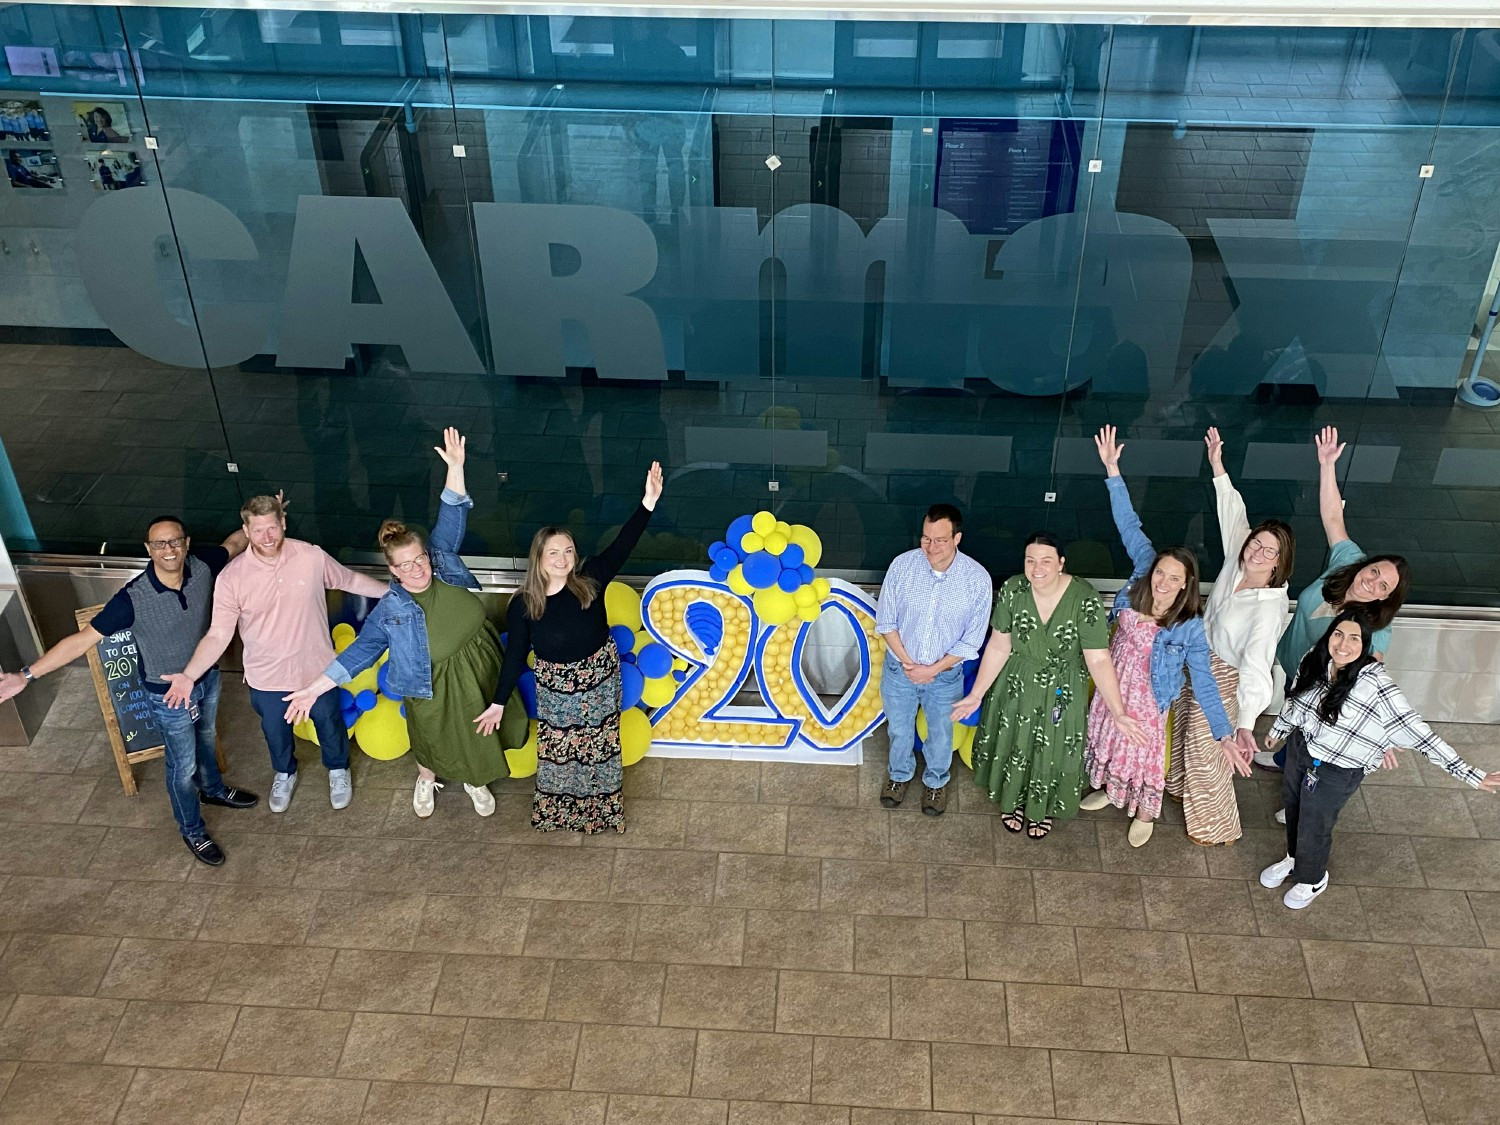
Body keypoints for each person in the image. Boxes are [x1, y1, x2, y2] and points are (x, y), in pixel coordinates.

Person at [0, 516, 259, 865]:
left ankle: (212, 790)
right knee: (181, 767)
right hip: (167, 695)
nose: (168, 550)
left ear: (186, 543)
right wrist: (26, 675)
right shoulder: (132, 600)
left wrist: (262, 519)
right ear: (148, 550)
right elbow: (80, 642)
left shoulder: (202, 566)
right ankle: (192, 831)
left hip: (207, 676)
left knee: (208, 734)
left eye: (174, 541)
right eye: (159, 544)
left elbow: (235, 545)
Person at [282, 428, 508, 818]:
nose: (416, 569)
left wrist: (456, 467)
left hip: (478, 661)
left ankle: (475, 778)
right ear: (392, 570)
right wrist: (312, 689)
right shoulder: (389, 609)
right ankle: (426, 778)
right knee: (430, 736)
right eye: (404, 565)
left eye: (419, 559)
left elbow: (453, 513)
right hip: (429, 681)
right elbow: (360, 653)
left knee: (479, 726)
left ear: (426, 554)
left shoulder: (441, 561)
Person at [164, 494, 388, 814]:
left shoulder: (310, 556)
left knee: (329, 720)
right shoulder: (231, 578)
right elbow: (217, 634)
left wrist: (393, 594)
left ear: (283, 523)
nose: (267, 537)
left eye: (272, 528)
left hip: (317, 668)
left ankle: (338, 769)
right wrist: (189, 675)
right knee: (275, 731)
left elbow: (349, 579)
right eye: (258, 531)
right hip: (267, 675)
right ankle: (285, 772)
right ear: (246, 530)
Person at [1260, 612, 1500, 909]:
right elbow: (1296, 700)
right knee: (1294, 807)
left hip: (1338, 769)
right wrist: (1279, 730)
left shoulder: (1375, 685)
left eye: (1354, 638)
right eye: (1338, 634)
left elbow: (1420, 733)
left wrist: (1471, 774)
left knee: (1315, 823)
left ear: (1365, 644)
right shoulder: (1315, 659)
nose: (1343, 644)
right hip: (1302, 750)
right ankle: (1293, 859)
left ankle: (1312, 878)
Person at [475, 462, 664, 833]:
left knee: (600, 751)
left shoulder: (590, 579)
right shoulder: (524, 604)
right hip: (556, 691)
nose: (563, 559)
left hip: (600, 683)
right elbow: (515, 657)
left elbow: (622, 545)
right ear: (539, 559)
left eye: (568, 551)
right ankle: (561, 814)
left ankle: (604, 813)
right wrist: (498, 702)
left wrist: (648, 503)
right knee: (561, 755)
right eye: (554, 553)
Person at [1079, 427, 1238, 847]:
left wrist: (1224, 734)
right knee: (1109, 735)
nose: (1165, 583)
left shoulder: (1188, 625)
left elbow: (1202, 682)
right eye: (1161, 574)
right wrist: (1112, 470)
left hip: (1150, 697)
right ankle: (1109, 789)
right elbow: (1127, 523)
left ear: (1187, 584)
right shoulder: (1141, 578)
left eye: (1175, 579)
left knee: (1144, 753)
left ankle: (1146, 812)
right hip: (1113, 680)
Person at [954, 534, 1145, 838]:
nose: (1037, 568)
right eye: (1030, 560)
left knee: (1055, 748)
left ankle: (1042, 808)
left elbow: (1097, 659)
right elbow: (999, 646)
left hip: (1063, 688)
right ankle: (1013, 800)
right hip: (1016, 684)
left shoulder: (1084, 598)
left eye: (1046, 560)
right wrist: (976, 694)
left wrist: (1118, 712)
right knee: (1015, 741)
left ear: (1061, 563)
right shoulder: (1014, 589)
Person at [1254, 425, 1410, 773]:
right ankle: (1284, 761)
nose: (1372, 583)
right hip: (1294, 663)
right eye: (1374, 572)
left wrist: (1380, 727)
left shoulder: (1375, 627)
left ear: (1386, 598)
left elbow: (1371, 676)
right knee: (1296, 725)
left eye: (1383, 586)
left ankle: (1303, 795)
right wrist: (1327, 466)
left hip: (1322, 687)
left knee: (1316, 735)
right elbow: (1332, 516)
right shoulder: (1347, 562)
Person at [1166, 428, 1293, 846]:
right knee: (1184, 725)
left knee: (1208, 748)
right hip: (1199, 655)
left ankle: (1216, 827)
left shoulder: (1267, 607)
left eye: (1268, 551)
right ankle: (1179, 786)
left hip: (1226, 675)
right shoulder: (1241, 562)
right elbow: (1232, 513)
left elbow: (1257, 666)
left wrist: (1244, 723)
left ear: (1279, 564)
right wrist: (1217, 463)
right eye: (1257, 543)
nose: (1257, 552)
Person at [875, 503, 993, 816]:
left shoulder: (977, 579)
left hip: (945, 677)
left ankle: (936, 783)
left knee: (940, 733)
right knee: (899, 729)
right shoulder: (902, 566)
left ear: (957, 538)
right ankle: (899, 776)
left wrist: (933, 670)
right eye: (926, 538)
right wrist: (909, 665)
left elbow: (972, 641)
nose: (931, 546)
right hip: (900, 669)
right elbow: (886, 621)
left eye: (940, 540)